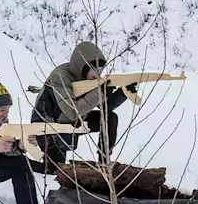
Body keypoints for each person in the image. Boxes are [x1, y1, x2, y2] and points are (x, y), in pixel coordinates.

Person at [30, 41, 131, 169]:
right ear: (82, 66)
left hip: (72, 121)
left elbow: (104, 108)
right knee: (52, 170)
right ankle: (23, 164)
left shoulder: (88, 79)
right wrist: (99, 93)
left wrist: (122, 93)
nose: (98, 74)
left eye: (100, 70)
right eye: (94, 69)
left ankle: (104, 162)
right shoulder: (60, 76)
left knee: (109, 118)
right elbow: (71, 111)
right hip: (47, 125)